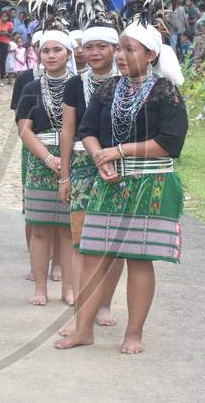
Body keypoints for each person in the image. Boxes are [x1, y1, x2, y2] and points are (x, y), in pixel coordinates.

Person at [56, 11, 187, 354]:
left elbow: (170, 142)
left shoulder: (165, 92)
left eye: (130, 49)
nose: (121, 56)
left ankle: (134, 333)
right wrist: (100, 155)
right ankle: (83, 329)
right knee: (94, 254)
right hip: (110, 182)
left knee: (138, 258)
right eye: (121, 49)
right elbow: (86, 130)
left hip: (149, 183)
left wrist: (119, 151)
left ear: (151, 55)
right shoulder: (109, 88)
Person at [57, 23, 123, 336]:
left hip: (119, 164)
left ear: (114, 49)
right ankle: (82, 309)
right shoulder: (74, 85)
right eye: (89, 46)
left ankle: (105, 303)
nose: (94, 53)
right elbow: (67, 131)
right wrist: (64, 175)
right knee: (82, 241)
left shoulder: (127, 83)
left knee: (115, 242)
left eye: (102, 46)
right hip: (83, 166)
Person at [16, 29, 77, 306]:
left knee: (67, 228)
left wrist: (64, 162)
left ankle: (68, 287)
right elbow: (24, 129)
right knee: (39, 226)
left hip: (73, 159)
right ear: (39, 55)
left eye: (57, 50)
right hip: (40, 160)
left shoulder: (79, 86)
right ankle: (40, 288)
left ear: (69, 53)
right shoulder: (30, 88)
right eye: (45, 51)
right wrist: (48, 159)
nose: (51, 55)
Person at [0, 9, 14, 85]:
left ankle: (1, 78)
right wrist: (3, 33)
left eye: (6, 16)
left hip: (5, 43)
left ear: (8, 17)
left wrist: (3, 33)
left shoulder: (10, 24)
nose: (4, 17)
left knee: (3, 61)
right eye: (3, 15)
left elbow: (10, 34)